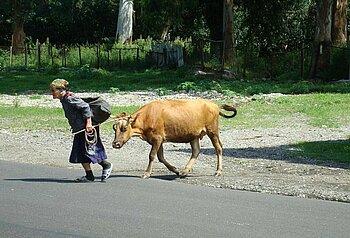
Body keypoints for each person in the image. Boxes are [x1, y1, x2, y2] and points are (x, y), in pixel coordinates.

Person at [50, 79, 113, 182]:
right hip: (79, 129)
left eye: (53, 90)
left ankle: (106, 165)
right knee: (80, 152)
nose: (51, 93)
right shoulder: (64, 99)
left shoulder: (70, 98)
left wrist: (88, 124)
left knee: (90, 149)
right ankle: (89, 176)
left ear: (60, 90)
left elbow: (85, 107)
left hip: (87, 128)